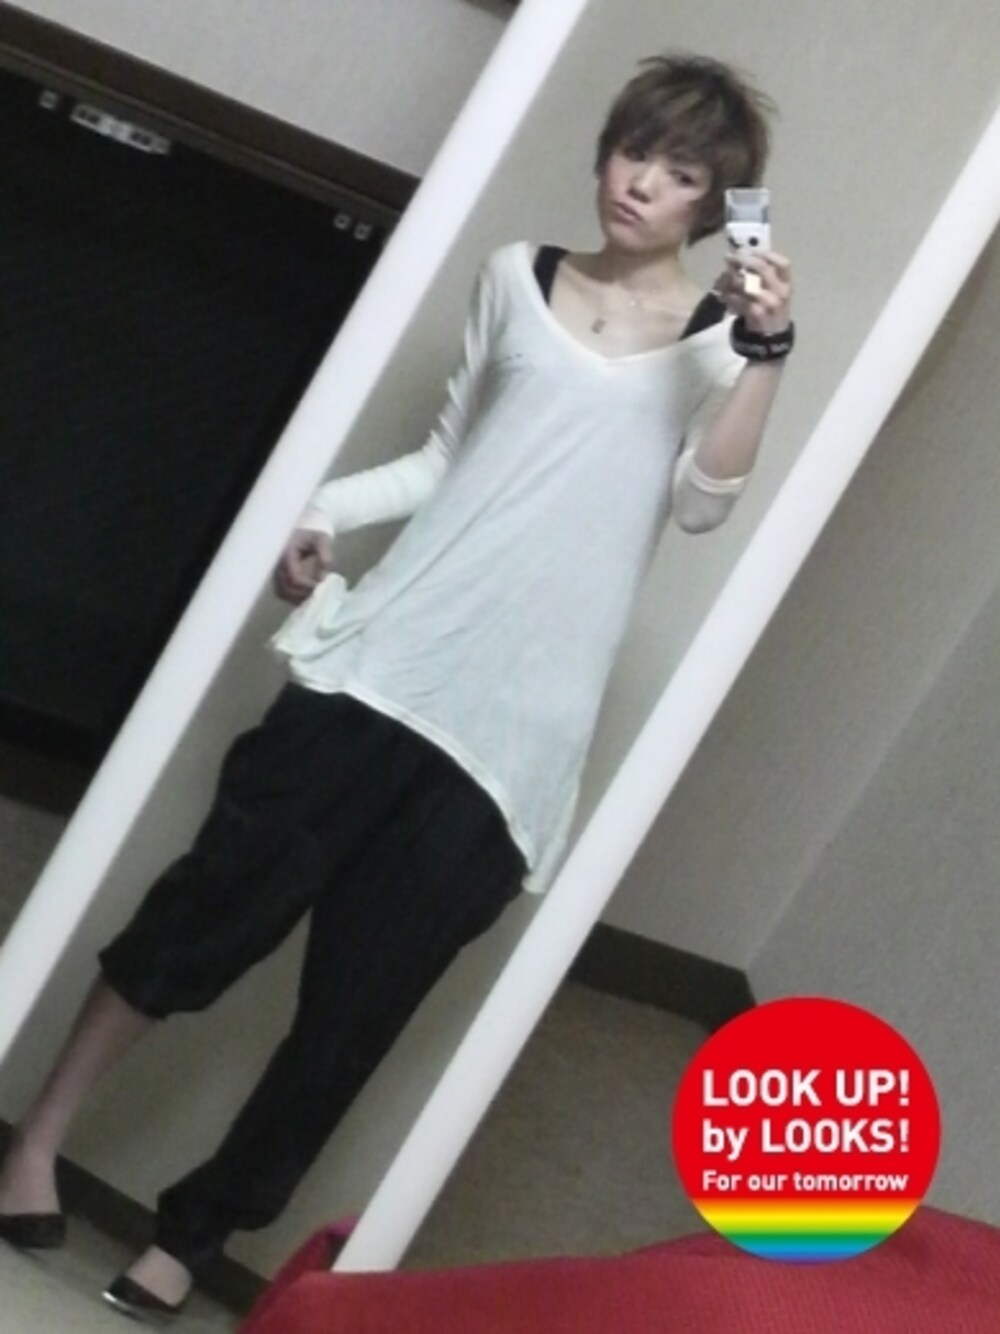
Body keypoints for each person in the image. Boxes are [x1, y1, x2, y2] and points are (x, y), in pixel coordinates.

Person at [0, 54, 793, 1317]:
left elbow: (703, 504)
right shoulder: (515, 278)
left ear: (715, 202)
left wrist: (765, 354)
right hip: (380, 670)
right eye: (631, 149)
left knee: (346, 1026)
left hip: (507, 751)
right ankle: (36, 1137)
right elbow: (445, 457)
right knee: (200, 916)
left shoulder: (715, 344)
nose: (640, 181)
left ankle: (195, 1234)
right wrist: (326, 508)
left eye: (679, 171)